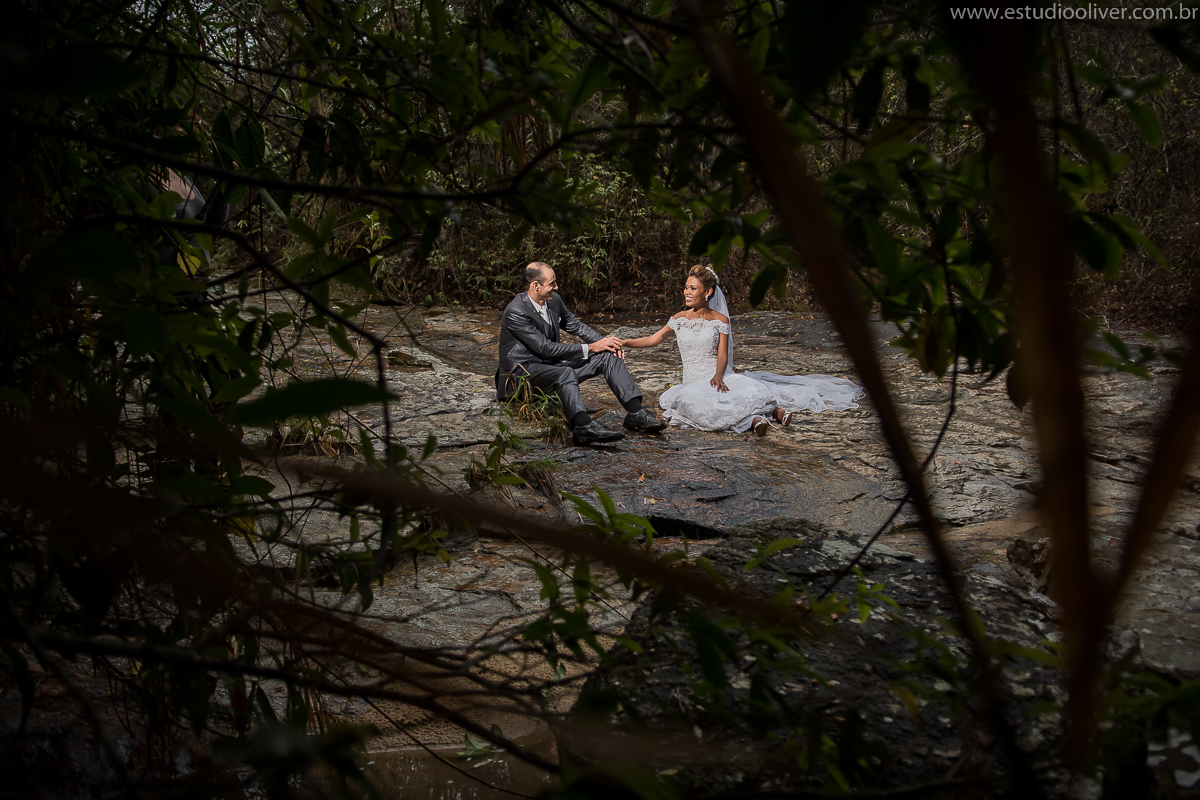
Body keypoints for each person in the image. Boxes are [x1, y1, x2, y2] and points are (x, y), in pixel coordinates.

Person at [621, 265, 864, 434]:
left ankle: (774, 412)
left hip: (717, 374)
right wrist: (624, 342)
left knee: (741, 392)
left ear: (708, 292)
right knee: (702, 406)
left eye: (693, 288)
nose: (687, 292)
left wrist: (718, 375)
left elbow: (722, 353)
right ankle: (757, 419)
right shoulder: (679, 318)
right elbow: (653, 339)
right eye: (686, 287)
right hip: (691, 380)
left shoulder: (720, 320)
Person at [496, 262, 668, 445]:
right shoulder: (516, 311)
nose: (557, 287)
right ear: (535, 285)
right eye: (552, 283)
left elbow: (576, 325)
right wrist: (591, 347)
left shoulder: (553, 301)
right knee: (565, 372)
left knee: (608, 354)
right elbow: (546, 349)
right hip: (521, 378)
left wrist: (605, 343)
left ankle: (636, 413)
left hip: (551, 370)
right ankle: (582, 426)